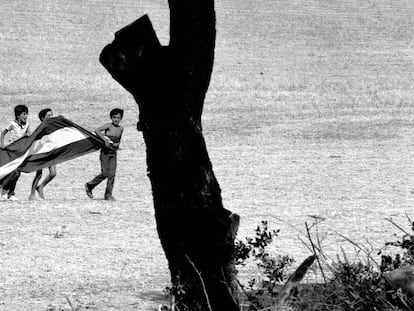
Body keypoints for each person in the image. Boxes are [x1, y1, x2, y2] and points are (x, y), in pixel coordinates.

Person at [85, 108, 124, 201]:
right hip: (105, 152)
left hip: (113, 153)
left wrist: (117, 145)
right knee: (105, 173)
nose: (116, 119)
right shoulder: (108, 126)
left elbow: (119, 140)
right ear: (111, 117)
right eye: (114, 117)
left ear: (121, 118)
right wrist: (105, 139)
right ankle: (90, 185)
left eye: (118, 118)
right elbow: (97, 130)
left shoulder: (121, 128)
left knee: (112, 175)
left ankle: (108, 195)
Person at [0, 104, 31, 201]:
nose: (26, 116)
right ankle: (4, 190)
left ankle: (11, 193)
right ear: (18, 115)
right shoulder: (12, 124)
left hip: (20, 151)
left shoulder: (27, 124)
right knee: (11, 171)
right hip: (11, 151)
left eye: (27, 114)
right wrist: (2, 144)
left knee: (17, 173)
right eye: (24, 114)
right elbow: (3, 133)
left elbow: (29, 135)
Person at [29, 108, 56, 200]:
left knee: (53, 173)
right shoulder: (40, 128)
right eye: (48, 116)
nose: (51, 117)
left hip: (50, 152)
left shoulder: (52, 127)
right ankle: (32, 194)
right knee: (39, 174)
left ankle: (40, 187)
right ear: (42, 118)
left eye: (51, 115)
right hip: (41, 153)